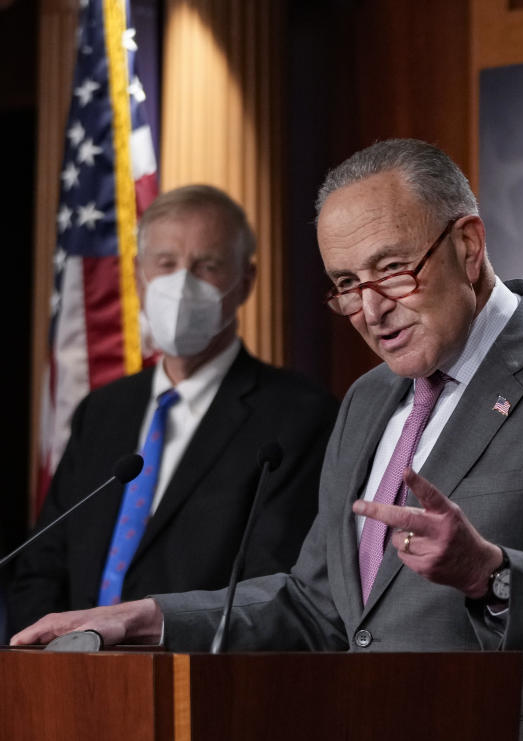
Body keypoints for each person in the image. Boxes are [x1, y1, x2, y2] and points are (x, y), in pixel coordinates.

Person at [12, 140, 523, 741]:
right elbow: (318, 606)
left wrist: (492, 576)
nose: (369, 308)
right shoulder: (368, 399)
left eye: (392, 270)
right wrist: (148, 618)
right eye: (346, 284)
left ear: (469, 246)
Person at [6, 185, 338, 633]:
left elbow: (273, 587)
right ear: (139, 276)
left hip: (194, 679)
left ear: (246, 281)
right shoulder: (102, 411)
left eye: (208, 266)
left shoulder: (300, 417)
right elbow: (40, 565)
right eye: (166, 264)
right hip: (70, 681)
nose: (182, 284)